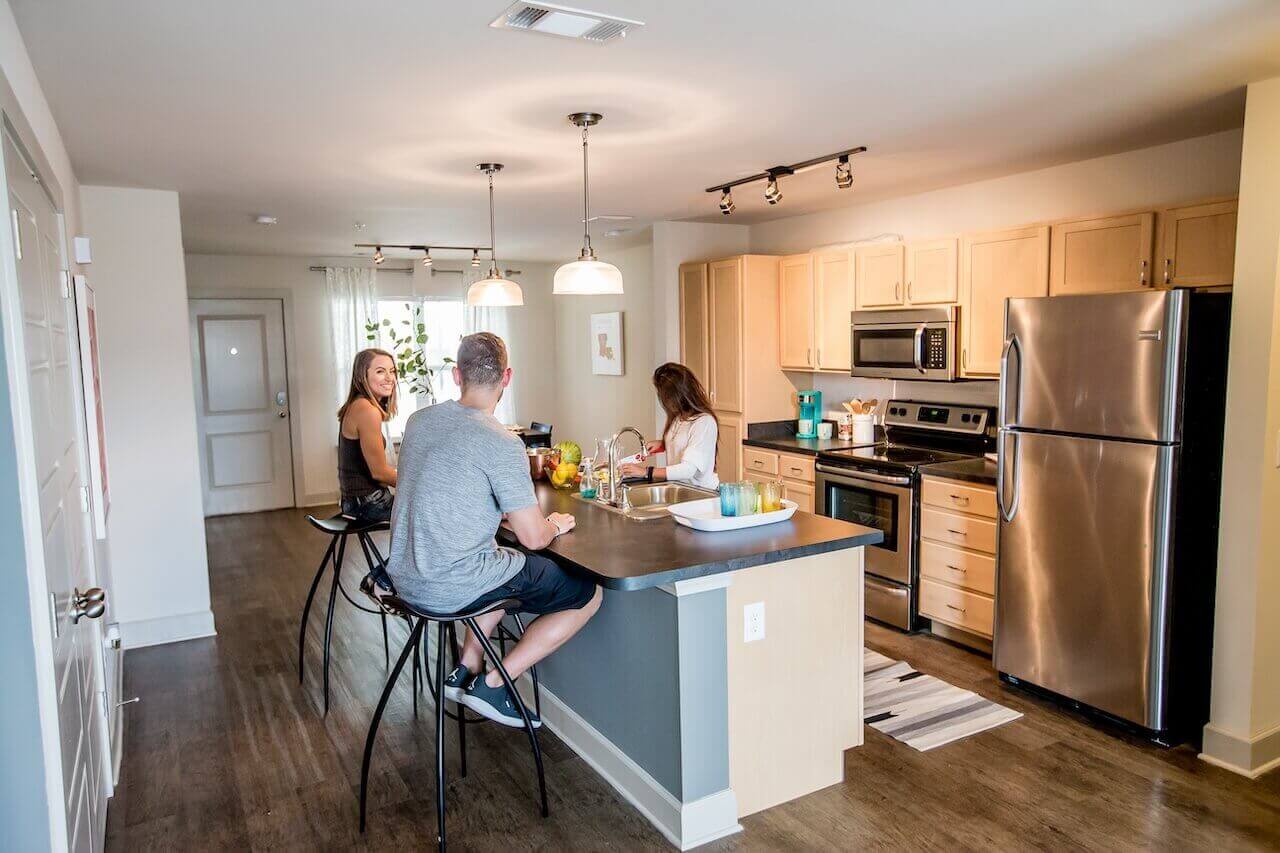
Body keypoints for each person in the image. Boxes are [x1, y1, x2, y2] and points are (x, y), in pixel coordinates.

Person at [386, 332, 602, 728]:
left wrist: (493, 514)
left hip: (404, 578)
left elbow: (445, 490)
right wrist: (551, 524)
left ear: (456, 374)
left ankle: (466, 667)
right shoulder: (501, 442)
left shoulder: (419, 422)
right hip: (449, 586)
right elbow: (534, 538)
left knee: (505, 566)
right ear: (507, 377)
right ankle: (495, 683)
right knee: (587, 594)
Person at [618, 362, 719, 490]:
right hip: (681, 489)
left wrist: (646, 472)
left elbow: (688, 470)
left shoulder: (704, 422)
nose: (664, 401)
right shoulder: (679, 417)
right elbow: (688, 441)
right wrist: (664, 444)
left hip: (702, 493)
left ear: (678, 395)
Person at [337, 348, 398, 524]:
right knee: (436, 508)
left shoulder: (358, 405)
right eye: (380, 371)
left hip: (356, 503)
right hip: (369, 505)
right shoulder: (367, 410)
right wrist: (418, 483)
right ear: (362, 376)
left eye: (392, 371)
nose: (389, 378)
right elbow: (379, 473)